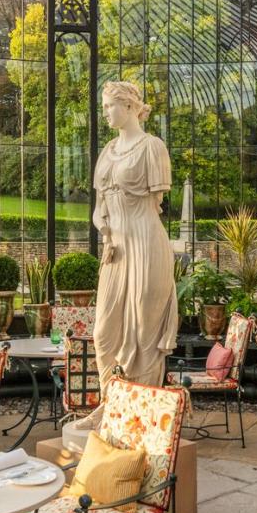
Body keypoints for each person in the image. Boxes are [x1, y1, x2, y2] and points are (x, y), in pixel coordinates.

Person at [91, 80, 179, 388]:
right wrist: (104, 232)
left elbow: (156, 204)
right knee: (103, 332)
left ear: (129, 106)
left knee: (144, 332)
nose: (105, 113)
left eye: (109, 106)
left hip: (146, 244)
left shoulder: (152, 147)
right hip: (116, 251)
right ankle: (109, 404)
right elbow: (100, 205)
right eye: (103, 107)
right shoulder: (108, 150)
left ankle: (141, 410)